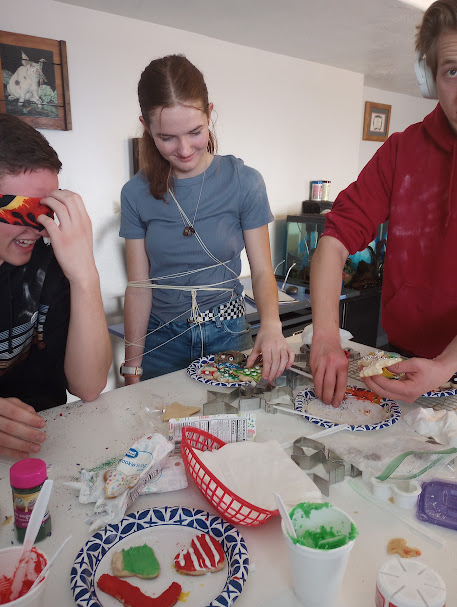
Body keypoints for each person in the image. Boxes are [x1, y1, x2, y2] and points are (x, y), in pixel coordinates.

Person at [310, 0, 457, 407]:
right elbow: (334, 240)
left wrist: (446, 365)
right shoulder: (401, 151)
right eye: (453, 71)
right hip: (401, 359)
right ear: (430, 78)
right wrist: (325, 335)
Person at [120, 54, 294, 383]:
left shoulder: (244, 181)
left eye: (195, 132)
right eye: (167, 137)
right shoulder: (135, 193)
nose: (185, 149)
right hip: (161, 338)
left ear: (209, 114)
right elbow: (139, 287)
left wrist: (272, 325)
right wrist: (132, 365)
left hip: (227, 333)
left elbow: (261, 271)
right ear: (146, 127)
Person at [0, 114, 112, 459]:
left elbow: (89, 386)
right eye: (23, 211)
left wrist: (85, 274)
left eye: (47, 211)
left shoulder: (49, 264)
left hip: (50, 443)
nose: (39, 229)